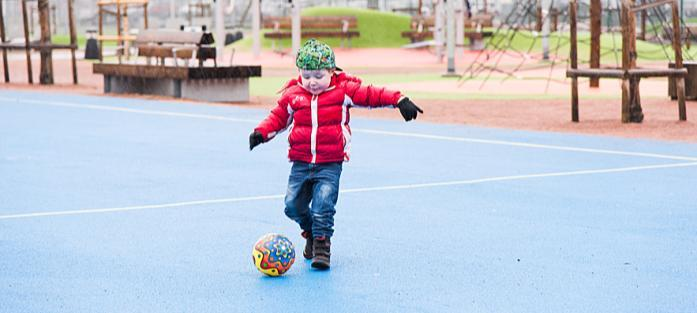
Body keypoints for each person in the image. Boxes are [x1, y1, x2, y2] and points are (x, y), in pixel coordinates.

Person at [249, 39, 423, 270]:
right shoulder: (293, 94)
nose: (312, 82)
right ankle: (310, 232)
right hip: (300, 162)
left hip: (330, 162)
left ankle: (322, 246)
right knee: (292, 205)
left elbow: (372, 95)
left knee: (323, 206)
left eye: (319, 76)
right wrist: (261, 132)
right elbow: (279, 117)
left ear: (332, 71)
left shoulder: (343, 91)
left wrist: (398, 100)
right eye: (307, 75)